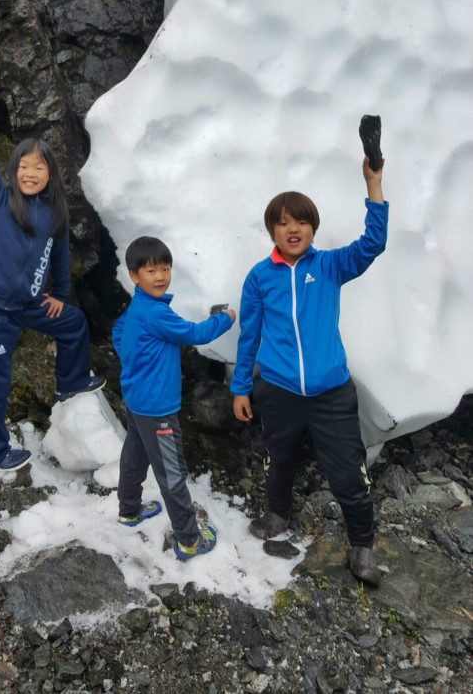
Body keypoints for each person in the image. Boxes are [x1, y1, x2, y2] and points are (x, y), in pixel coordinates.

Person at [231, 158, 387, 586]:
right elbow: (250, 336)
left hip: (331, 393)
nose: (293, 229)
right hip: (278, 390)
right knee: (278, 457)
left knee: (348, 473)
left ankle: (361, 545)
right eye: (283, 223)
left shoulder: (330, 266)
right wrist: (241, 386)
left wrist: (373, 184)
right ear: (273, 232)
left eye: (302, 221)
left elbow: (373, 242)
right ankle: (278, 513)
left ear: (313, 229)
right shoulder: (260, 277)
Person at [0, 76, 105, 473]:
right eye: (23, 166)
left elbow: (59, 256)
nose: (30, 173)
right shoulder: (0, 199)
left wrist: (60, 297)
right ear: (13, 172)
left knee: (74, 323)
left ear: (50, 174)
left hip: (30, 305)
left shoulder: (55, 211)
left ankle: (70, 381)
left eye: (39, 167)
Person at [112, 236, 236, 561]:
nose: (161, 276)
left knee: (135, 456)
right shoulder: (157, 314)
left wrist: (135, 363)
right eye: (151, 270)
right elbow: (196, 334)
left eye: (165, 268)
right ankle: (189, 539)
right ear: (134, 276)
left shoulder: (137, 308)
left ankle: (128, 510)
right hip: (158, 411)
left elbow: (117, 333)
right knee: (172, 473)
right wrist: (226, 318)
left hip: (137, 401)